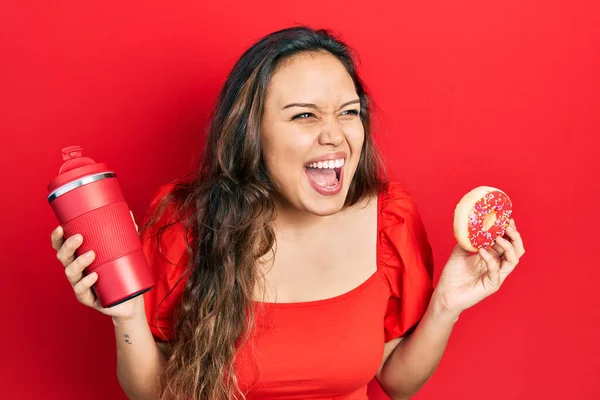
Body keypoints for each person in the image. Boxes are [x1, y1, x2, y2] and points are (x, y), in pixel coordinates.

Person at [50, 26, 525, 400]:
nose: (335, 135)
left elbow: (398, 383)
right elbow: (154, 394)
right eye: (304, 115)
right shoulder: (186, 226)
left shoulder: (388, 220)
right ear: (250, 132)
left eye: (348, 112)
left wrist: (447, 303)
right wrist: (127, 315)